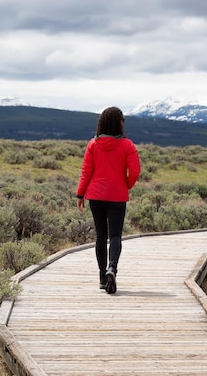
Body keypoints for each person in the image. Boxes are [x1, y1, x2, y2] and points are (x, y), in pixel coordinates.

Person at [76, 106, 141, 294]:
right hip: (117, 196)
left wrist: (80, 195)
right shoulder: (128, 145)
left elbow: (86, 172)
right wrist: (126, 185)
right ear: (119, 123)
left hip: (95, 196)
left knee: (100, 236)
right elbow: (135, 171)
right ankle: (112, 268)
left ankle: (102, 278)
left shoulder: (93, 144)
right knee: (115, 236)